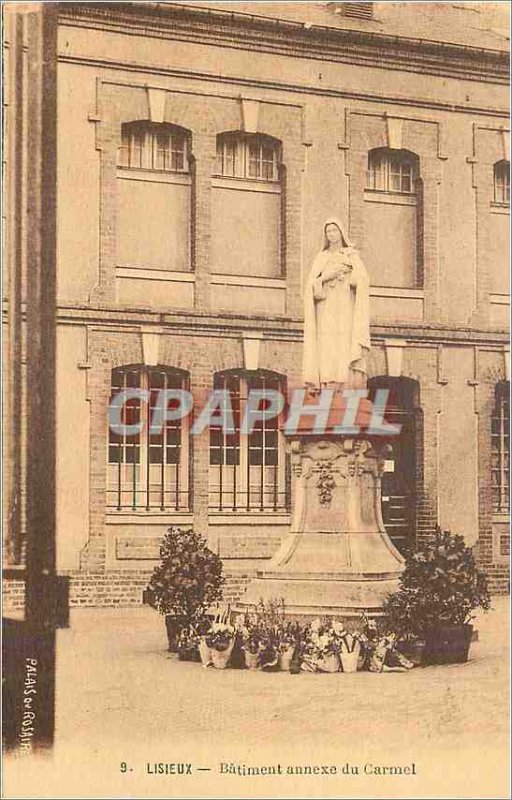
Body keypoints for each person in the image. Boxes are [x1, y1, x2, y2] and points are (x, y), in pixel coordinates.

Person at [302, 217, 371, 389]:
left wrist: (349, 275)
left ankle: (343, 380)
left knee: (343, 342)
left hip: (344, 306)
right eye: (328, 231)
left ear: (341, 233)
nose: (331, 234)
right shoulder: (321, 257)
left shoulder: (350, 255)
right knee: (326, 342)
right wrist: (328, 276)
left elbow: (362, 281)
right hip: (325, 308)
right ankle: (326, 381)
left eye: (334, 230)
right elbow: (311, 286)